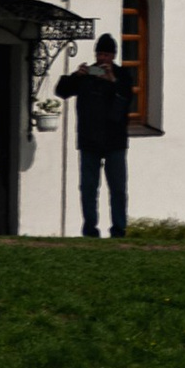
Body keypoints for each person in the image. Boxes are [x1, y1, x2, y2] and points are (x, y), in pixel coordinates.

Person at [55, 34, 133, 238]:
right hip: (89, 139)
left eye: (106, 54)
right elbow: (61, 91)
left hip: (115, 140)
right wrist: (76, 76)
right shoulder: (88, 75)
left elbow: (127, 99)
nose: (102, 58)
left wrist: (112, 81)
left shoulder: (122, 75)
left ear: (113, 56)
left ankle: (119, 229)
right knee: (89, 188)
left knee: (117, 188)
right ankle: (90, 228)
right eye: (99, 54)